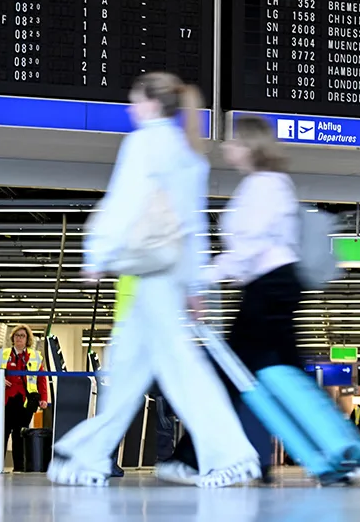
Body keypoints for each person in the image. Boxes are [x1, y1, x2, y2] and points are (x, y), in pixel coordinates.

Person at [47, 72, 261, 488]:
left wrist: (97, 253)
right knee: (125, 369)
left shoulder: (144, 143)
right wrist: (196, 285)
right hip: (159, 277)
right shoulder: (187, 152)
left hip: (151, 277)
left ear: (149, 103)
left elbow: (123, 202)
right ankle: (88, 457)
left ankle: (232, 456)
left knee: (182, 371)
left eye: (133, 99)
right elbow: (193, 225)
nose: (130, 108)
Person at [160, 114, 306, 485]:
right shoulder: (273, 184)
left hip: (266, 289)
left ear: (249, 146)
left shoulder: (262, 187)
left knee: (228, 375)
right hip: (276, 286)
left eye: (233, 141)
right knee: (286, 377)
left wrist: (202, 280)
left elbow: (248, 248)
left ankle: (192, 458)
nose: (226, 147)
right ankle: (336, 453)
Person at [0, 324, 50, 472]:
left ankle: (19, 466)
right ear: (13, 338)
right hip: (6, 400)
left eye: (22, 336)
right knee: (1, 434)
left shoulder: (35, 356)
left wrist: (44, 398)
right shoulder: (3, 354)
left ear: (27, 339)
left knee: (19, 434)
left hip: (25, 402)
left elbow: (41, 379)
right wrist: (0, 379)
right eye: (17, 336)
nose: (19, 339)